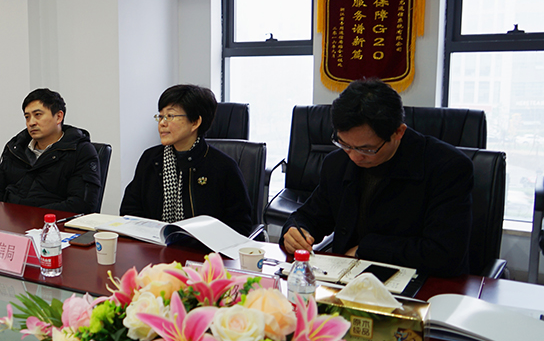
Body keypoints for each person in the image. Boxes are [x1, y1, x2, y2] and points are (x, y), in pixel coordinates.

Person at [280, 78, 473, 277]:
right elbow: (312, 215)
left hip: (422, 282)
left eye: (367, 149)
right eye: (345, 144)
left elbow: (444, 254)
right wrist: (295, 230)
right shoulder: (337, 163)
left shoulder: (447, 168)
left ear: (398, 132)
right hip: (347, 279)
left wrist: (366, 249)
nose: (355, 157)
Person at [120, 84, 253, 236]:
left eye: (170, 116)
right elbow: (129, 210)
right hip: (153, 245)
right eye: (161, 116)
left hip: (204, 249)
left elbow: (240, 225)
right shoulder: (150, 159)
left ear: (195, 122)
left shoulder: (223, 167)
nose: (162, 123)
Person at [0, 89, 101, 213]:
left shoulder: (81, 151)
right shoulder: (16, 148)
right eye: (27, 117)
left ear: (58, 117)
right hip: (10, 218)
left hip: (51, 221)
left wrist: (31, 215)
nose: (31, 123)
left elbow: (81, 204)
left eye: (38, 115)